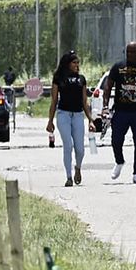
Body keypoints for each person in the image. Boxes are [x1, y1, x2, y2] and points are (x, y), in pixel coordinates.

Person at [102, 41, 136, 184]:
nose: (130, 55)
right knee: (116, 140)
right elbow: (108, 87)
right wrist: (105, 106)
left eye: (133, 52)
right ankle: (119, 161)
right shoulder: (118, 67)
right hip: (121, 111)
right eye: (128, 52)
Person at [46, 51, 95, 187]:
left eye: (78, 63)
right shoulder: (59, 78)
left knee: (80, 149)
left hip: (78, 115)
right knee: (68, 145)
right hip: (63, 115)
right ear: (68, 64)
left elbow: (84, 102)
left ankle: (78, 167)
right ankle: (68, 177)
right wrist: (50, 121)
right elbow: (54, 101)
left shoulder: (81, 79)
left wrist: (90, 120)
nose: (77, 65)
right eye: (74, 63)